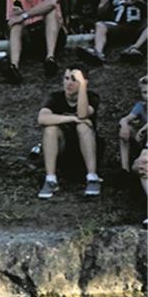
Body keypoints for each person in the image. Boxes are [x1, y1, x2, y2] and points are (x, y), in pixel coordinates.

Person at [36, 68, 103, 199]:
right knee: (50, 128)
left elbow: (83, 114)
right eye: (66, 79)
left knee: (82, 126)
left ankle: (92, 177)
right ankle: (50, 179)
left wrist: (83, 86)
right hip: (63, 150)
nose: (69, 83)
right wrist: (71, 118)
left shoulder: (92, 97)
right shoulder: (56, 97)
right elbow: (42, 119)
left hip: (87, 150)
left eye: (75, 80)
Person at [0, 0, 65, 83]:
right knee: (16, 24)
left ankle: (50, 58)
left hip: (54, 34)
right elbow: (10, 22)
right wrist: (18, 18)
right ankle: (14, 67)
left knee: (51, 12)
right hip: (29, 37)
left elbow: (51, 3)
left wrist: (25, 15)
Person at [117, 75, 147, 180]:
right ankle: (125, 170)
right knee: (125, 130)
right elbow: (125, 119)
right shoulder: (141, 106)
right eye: (145, 93)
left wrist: (144, 128)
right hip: (143, 140)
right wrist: (124, 125)